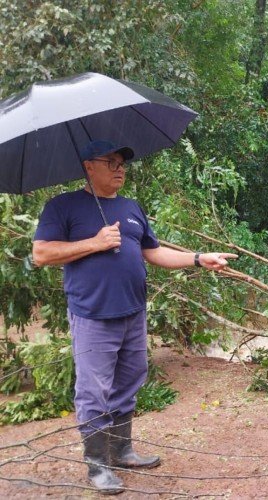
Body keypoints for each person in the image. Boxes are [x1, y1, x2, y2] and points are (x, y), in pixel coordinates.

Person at [32, 140, 237, 494]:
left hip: (132, 312)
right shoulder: (62, 206)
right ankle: (97, 466)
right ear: (88, 166)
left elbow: (153, 253)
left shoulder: (130, 208)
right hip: (93, 314)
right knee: (94, 390)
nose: (120, 168)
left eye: (123, 162)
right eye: (111, 162)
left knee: (129, 381)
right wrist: (93, 243)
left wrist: (198, 258)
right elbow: (42, 254)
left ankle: (121, 449)